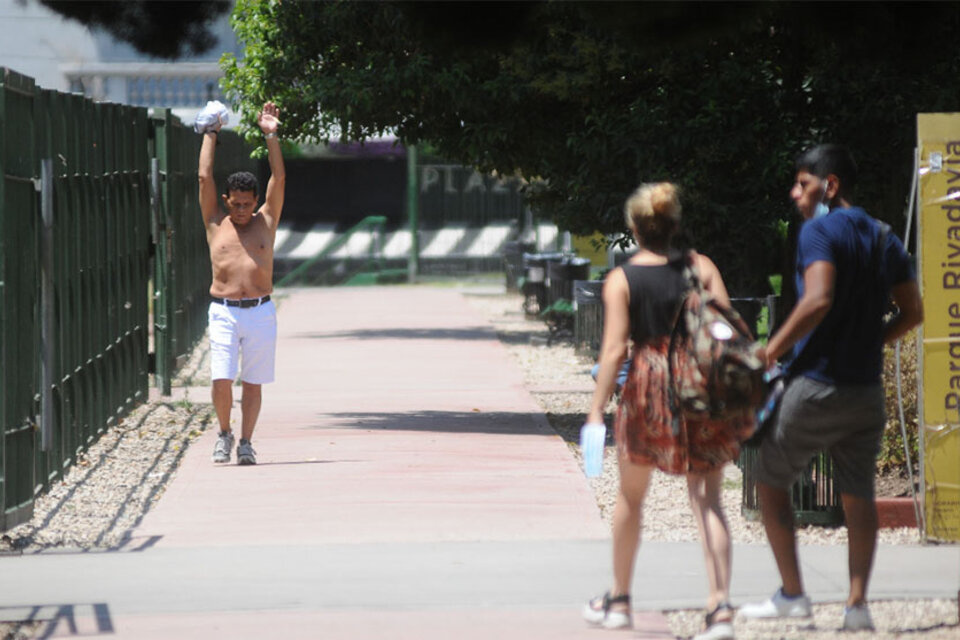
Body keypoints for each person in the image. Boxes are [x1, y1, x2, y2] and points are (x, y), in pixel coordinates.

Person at [739, 144, 923, 630]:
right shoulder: (885, 237)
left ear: (831, 185)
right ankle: (857, 606)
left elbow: (817, 299)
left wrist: (771, 349)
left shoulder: (818, 230)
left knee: (770, 480)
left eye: (803, 183)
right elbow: (915, 312)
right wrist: (872, 342)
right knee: (858, 495)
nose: (794, 193)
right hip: (865, 393)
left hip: (817, 386)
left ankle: (793, 594)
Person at [582, 182, 753, 640]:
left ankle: (619, 600)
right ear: (675, 225)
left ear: (634, 228)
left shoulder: (622, 280)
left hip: (647, 386)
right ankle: (719, 609)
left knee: (630, 498)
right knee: (708, 499)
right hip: (699, 386)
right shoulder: (702, 268)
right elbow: (725, 330)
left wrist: (597, 410)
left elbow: (615, 348)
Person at [197, 101, 286, 465]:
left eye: (247, 204)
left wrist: (271, 136)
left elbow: (278, 180)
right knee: (221, 378)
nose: (242, 210)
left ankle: (246, 441)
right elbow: (204, 177)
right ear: (226, 201)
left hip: (261, 311)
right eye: (235, 204)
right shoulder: (216, 223)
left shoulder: (266, 221)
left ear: (256, 202)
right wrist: (211, 134)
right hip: (224, 311)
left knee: (253, 382)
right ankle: (223, 433)